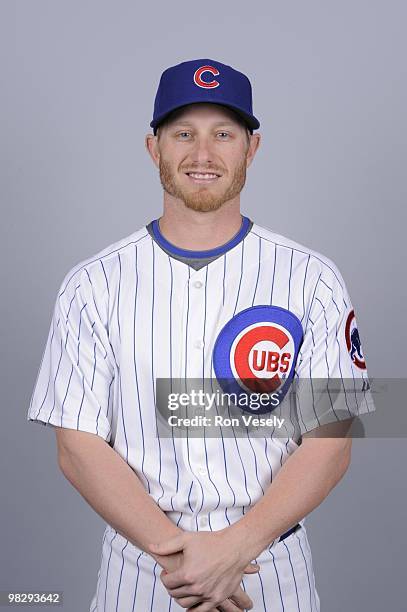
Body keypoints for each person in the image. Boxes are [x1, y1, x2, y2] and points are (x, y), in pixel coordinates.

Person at [27, 58, 376, 611]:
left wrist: (235, 548)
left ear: (251, 149)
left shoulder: (314, 278)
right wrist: (184, 565)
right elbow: (77, 445)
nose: (203, 154)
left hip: (270, 570)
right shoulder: (92, 284)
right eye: (183, 133)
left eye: (223, 134)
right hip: (141, 574)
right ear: (154, 147)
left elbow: (331, 440)